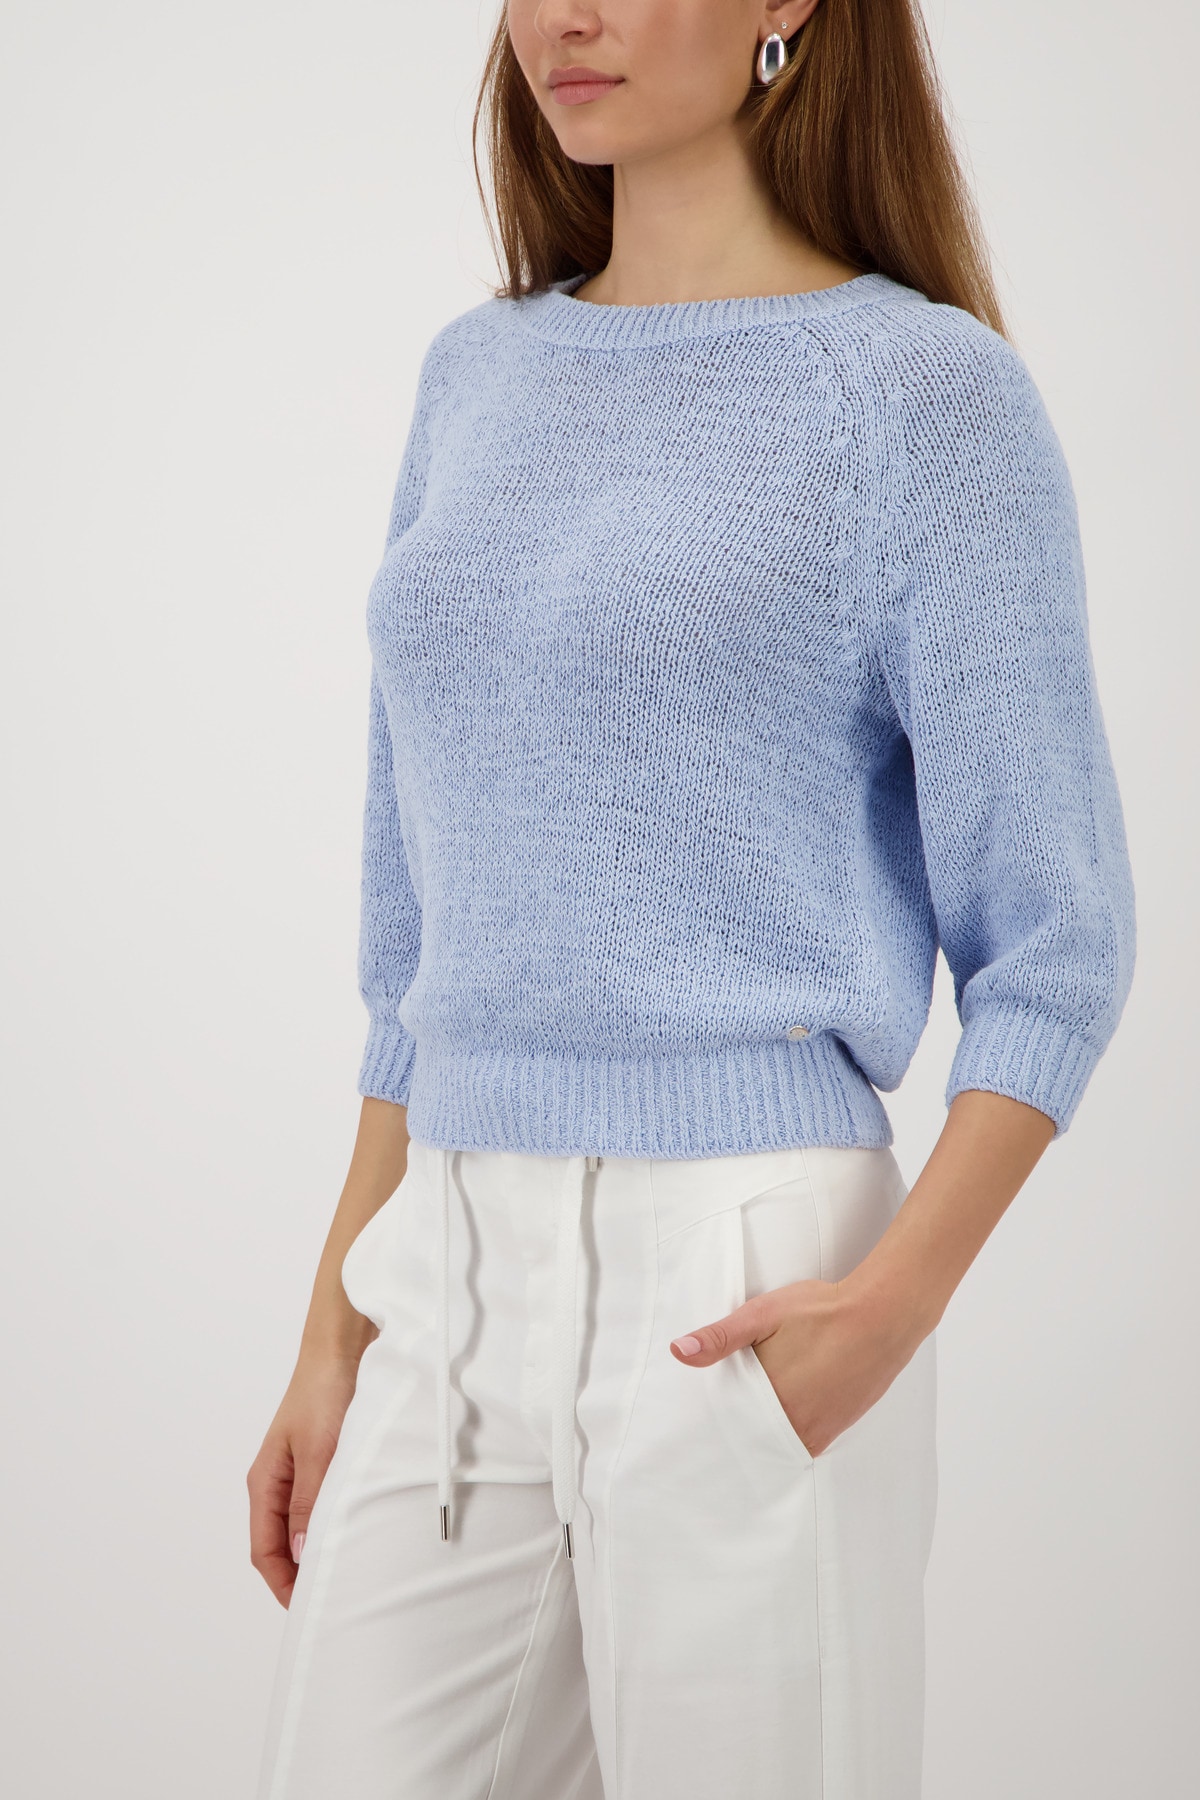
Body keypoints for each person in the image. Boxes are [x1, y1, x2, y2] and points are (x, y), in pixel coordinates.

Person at [247, 2, 1136, 1795]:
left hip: (744, 1268)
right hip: (448, 1266)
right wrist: (337, 1318)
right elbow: (411, 934)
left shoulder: (924, 397)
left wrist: (888, 1307)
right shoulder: (475, 376)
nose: (564, 16)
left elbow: (1057, 945)